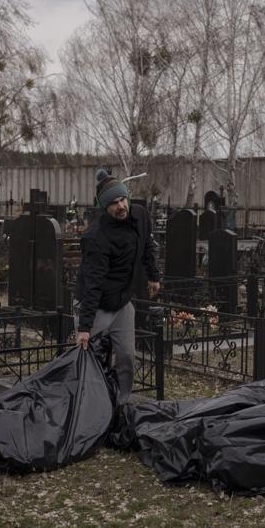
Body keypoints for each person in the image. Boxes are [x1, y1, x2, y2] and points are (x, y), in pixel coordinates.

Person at [75, 169, 160, 405]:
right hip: (98, 305)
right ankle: (87, 408)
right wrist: (85, 327)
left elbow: (147, 247)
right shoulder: (96, 237)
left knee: (126, 357)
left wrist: (153, 277)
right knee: (86, 360)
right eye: (113, 203)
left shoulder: (140, 215)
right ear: (104, 208)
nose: (121, 206)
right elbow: (93, 284)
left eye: (122, 199)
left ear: (128, 197)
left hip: (122, 302)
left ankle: (120, 404)